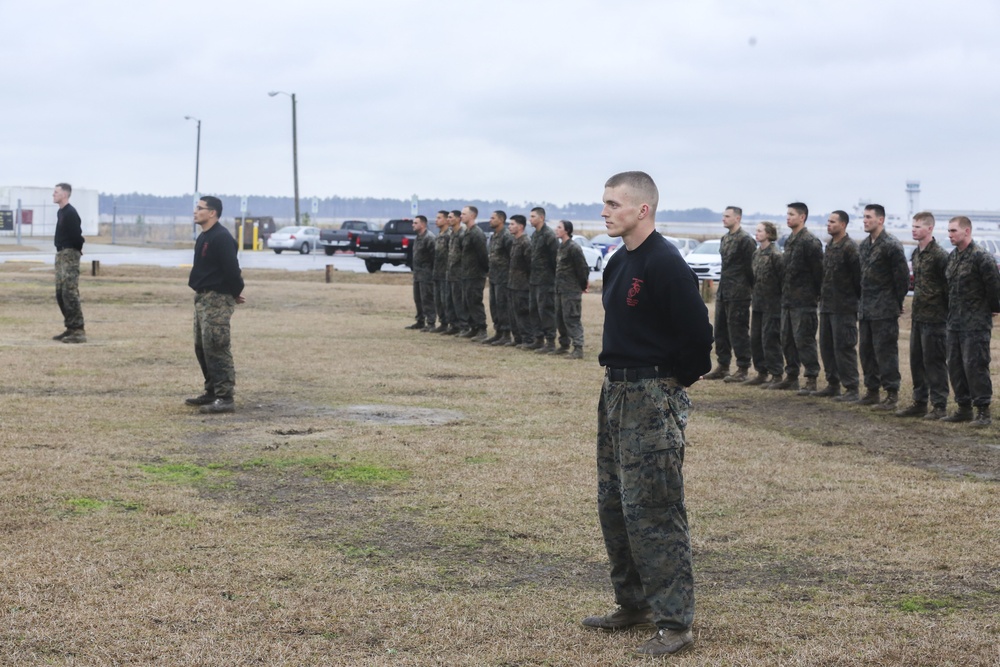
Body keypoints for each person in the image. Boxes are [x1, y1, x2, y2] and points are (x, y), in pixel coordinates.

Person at [583, 171, 711, 658]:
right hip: (615, 392)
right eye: (604, 203)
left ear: (643, 209)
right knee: (615, 504)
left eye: (613, 204)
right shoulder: (619, 262)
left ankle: (675, 622)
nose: (605, 212)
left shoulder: (666, 263)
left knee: (655, 509)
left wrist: (672, 383)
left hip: (651, 396)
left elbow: (699, 338)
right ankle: (632, 603)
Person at [185, 196, 245, 414]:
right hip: (202, 298)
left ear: (212, 213)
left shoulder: (221, 238)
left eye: (200, 208)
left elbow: (232, 270)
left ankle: (225, 397)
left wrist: (235, 292)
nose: (195, 212)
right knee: (202, 347)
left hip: (217, 298)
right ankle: (211, 391)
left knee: (217, 346)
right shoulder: (204, 237)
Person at [941, 216, 1000, 426]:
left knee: (975, 365)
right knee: (955, 365)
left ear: (967, 231)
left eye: (954, 231)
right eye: (948, 231)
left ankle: (983, 411)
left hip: (975, 323)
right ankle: (963, 407)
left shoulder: (981, 257)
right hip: (954, 322)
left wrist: (992, 309)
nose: (950, 235)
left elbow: (993, 288)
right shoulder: (953, 257)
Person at [896, 212, 950, 419]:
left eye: (918, 226)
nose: (914, 229)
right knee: (916, 360)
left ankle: (939, 405)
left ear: (930, 229)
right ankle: (919, 402)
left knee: (934, 361)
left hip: (936, 317)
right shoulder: (916, 254)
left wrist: (944, 311)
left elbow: (948, 287)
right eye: (913, 226)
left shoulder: (940, 256)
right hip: (919, 316)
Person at [856, 204, 909, 410]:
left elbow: (902, 279)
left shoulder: (891, 245)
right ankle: (872, 390)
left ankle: (891, 393)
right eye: (864, 217)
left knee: (885, 352)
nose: (865, 220)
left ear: (881, 220)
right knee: (866, 351)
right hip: (866, 309)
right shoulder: (864, 246)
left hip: (884, 309)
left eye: (869, 217)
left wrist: (896, 302)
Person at [771, 203, 823, 391]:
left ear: (802, 217)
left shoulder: (810, 241)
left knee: (804, 340)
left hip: (804, 301)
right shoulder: (790, 240)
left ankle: (811, 378)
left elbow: (819, 273)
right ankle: (791, 376)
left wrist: (815, 295)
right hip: (788, 300)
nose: (788, 217)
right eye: (787, 214)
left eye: (791, 214)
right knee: (787, 339)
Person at [704, 206, 755, 383]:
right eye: (723, 216)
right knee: (720, 330)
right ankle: (723, 365)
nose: (723, 219)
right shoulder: (725, 238)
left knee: (738, 330)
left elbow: (751, 268)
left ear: (737, 218)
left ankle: (742, 368)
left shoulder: (746, 240)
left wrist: (749, 289)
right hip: (724, 291)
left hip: (739, 292)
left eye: (727, 216)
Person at [815, 210, 861, 400]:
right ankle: (833, 383)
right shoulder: (830, 246)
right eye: (828, 221)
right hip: (827, 306)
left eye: (833, 222)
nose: (829, 224)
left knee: (844, 347)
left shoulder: (850, 248)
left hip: (844, 307)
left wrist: (853, 301)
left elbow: (858, 279)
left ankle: (851, 388)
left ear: (843, 224)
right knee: (827, 347)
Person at [746, 221, 784, 386]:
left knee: (770, 339)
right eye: (756, 231)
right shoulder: (756, 254)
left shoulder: (776, 255)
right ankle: (761, 372)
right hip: (758, 303)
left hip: (773, 304)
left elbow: (782, 280)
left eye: (760, 231)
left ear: (769, 233)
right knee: (756, 339)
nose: (757, 233)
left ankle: (776, 374)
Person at [51, 183, 86, 343]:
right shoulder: (61, 212)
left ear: (64, 194)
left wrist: (76, 251)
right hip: (61, 253)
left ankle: (78, 331)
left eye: (56, 192)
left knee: (69, 292)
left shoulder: (71, 213)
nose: (53, 194)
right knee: (60, 292)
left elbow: (77, 236)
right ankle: (70, 327)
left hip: (69, 253)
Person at [553, 220, 590, 359]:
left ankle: (578, 347)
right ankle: (564, 344)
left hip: (571, 289)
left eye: (559, 227)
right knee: (560, 318)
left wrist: (582, 285)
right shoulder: (561, 246)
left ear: (566, 230)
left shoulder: (573, 247)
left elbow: (582, 268)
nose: (556, 229)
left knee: (572, 318)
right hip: (560, 289)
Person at [527, 207, 559, 352]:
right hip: (534, 279)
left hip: (546, 280)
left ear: (541, 218)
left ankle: (550, 341)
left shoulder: (549, 235)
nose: (530, 219)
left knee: (546, 310)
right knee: (533, 310)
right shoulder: (535, 235)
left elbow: (554, 260)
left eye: (533, 216)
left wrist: (552, 278)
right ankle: (538, 339)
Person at [483, 210, 514, 345]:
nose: (490, 220)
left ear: (501, 220)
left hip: (504, 277)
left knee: (503, 306)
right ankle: (498, 332)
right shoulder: (494, 236)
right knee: (494, 306)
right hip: (494, 277)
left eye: (493, 218)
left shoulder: (507, 236)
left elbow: (512, 257)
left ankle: (506, 334)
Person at [507, 215, 533, 348]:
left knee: (523, 313)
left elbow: (530, 265)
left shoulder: (525, 242)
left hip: (522, 285)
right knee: (513, 313)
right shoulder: (514, 241)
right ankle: (517, 338)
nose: (510, 227)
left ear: (521, 226)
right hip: (513, 284)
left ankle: (527, 339)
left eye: (512, 224)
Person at [408, 215, 436, 331]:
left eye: (415, 223)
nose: (413, 225)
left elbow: (434, 257)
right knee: (418, 299)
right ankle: (420, 321)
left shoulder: (429, 238)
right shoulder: (418, 238)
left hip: (427, 274)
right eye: (413, 223)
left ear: (423, 224)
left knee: (427, 299)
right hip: (418, 274)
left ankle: (431, 323)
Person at [443, 210, 467, 335]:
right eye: (448, 217)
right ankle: (454, 325)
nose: (448, 219)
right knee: (450, 301)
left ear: (458, 219)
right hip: (451, 273)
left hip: (459, 274)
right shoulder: (452, 233)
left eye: (451, 217)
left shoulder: (462, 234)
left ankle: (463, 326)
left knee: (459, 302)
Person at [430, 211, 453, 333]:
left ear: (445, 220)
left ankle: (451, 323)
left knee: (446, 300)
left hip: (446, 273)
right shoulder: (439, 235)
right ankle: (443, 323)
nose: (436, 220)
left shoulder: (449, 235)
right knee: (438, 300)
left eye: (439, 218)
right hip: (437, 272)